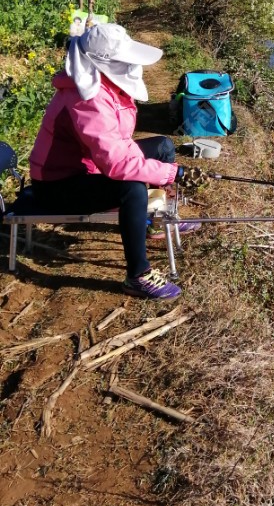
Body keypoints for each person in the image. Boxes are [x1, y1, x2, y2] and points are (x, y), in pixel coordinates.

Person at [28, 23, 204, 299]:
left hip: (90, 165)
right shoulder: (86, 99)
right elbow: (116, 163)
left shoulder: (104, 86)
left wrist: (167, 170)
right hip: (57, 185)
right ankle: (138, 276)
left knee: (162, 146)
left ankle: (153, 221)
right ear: (104, 63)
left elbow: (119, 145)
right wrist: (172, 172)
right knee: (131, 188)